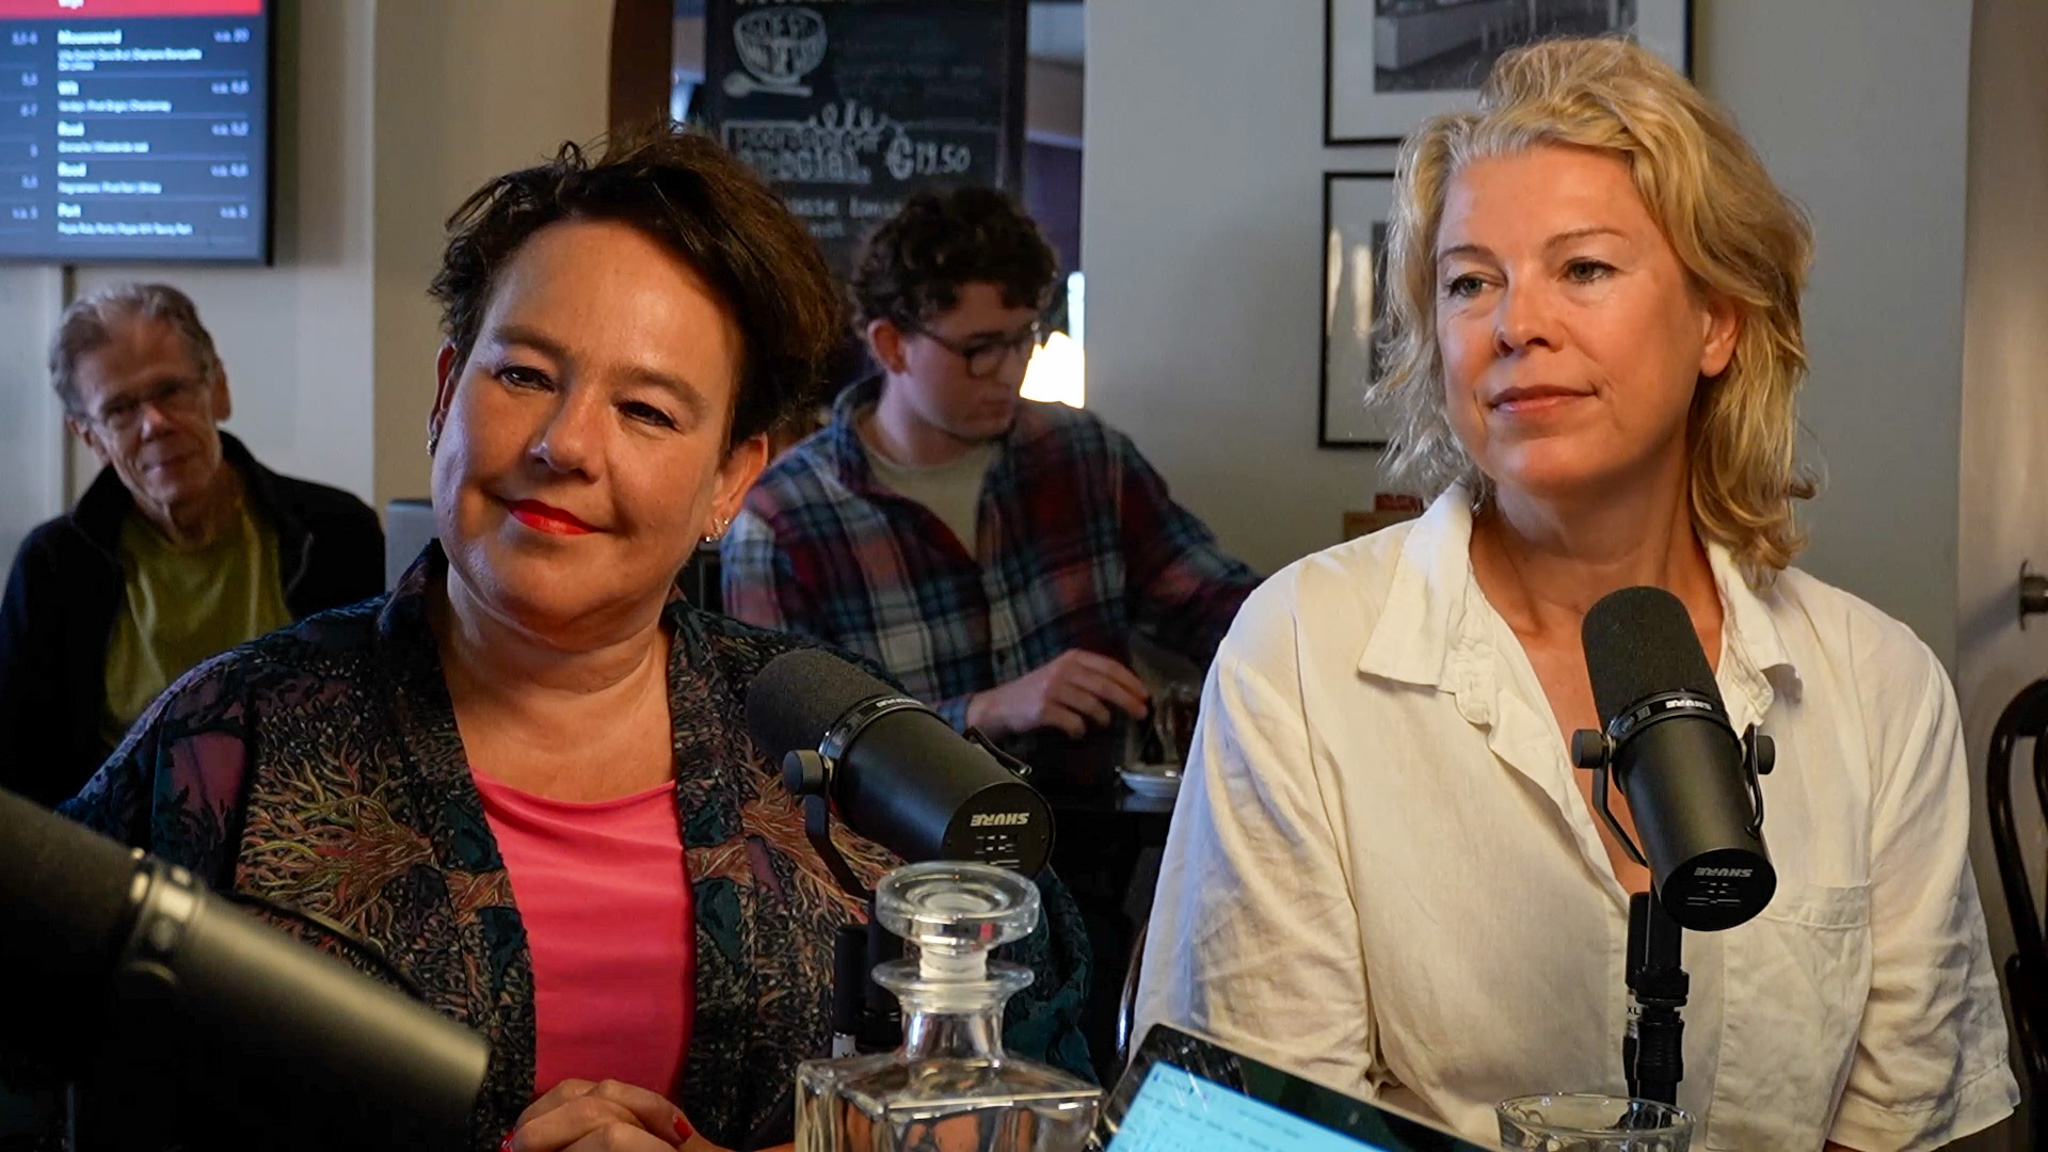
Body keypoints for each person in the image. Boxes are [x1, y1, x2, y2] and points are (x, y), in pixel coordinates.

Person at [47, 131, 1089, 1152]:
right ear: (445, 394)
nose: (566, 444)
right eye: (524, 376)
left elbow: (1043, 1074)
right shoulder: (231, 743)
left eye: (647, 410)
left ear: (731, 479)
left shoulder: (844, 743)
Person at [1136, 37, 2017, 1151]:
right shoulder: (1302, 655)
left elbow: (1899, 1124)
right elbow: (1259, 1121)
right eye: (1470, 282)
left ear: (1716, 321)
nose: (1516, 324)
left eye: (1584, 269)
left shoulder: (1879, 691)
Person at [720, 187, 1261, 748]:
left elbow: (1209, 601)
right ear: (891, 345)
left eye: (1023, 339)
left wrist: (1297, 628)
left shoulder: (1084, 455)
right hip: (903, 812)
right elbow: (782, 747)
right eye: (979, 349)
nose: (1010, 372)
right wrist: (986, 711)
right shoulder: (784, 522)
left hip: (1097, 805)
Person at [0, 283, 384, 808]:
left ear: (218, 389)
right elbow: (20, 783)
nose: (155, 424)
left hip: (310, 832)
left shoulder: (338, 534)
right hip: (115, 849)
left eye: (171, 391)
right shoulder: (54, 566)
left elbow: (383, 729)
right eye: (121, 409)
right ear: (89, 436)